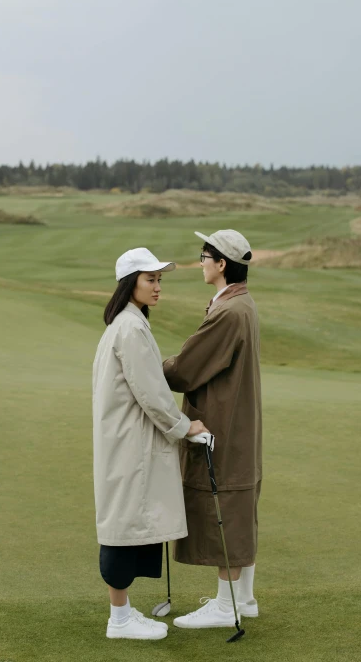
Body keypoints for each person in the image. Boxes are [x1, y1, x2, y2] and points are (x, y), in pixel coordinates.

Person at [92, 247, 208, 641]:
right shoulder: (129, 328)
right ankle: (120, 619)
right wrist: (184, 426)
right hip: (131, 446)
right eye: (150, 279)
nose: (158, 287)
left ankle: (123, 614)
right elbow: (152, 394)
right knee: (122, 528)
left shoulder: (128, 324)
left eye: (160, 280)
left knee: (127, 524)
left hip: (129, 443)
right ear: (131, 284)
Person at [163, 229, 262, 629]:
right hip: (237, 423)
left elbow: (186, 369)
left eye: (205, 255)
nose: (200, 261)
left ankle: (227, 606)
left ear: (222, 264)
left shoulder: (229, 312)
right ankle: (244, 598)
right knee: (238, 506)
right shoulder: (240, 304)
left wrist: (150, 364)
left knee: (228, 507)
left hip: (224, 424)